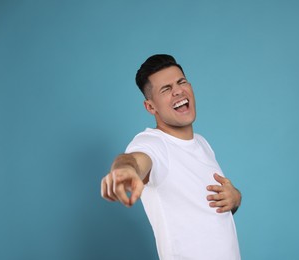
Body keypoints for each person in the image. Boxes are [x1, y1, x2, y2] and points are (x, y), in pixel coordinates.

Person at [101, 54, 242, 259]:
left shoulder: (202, 144)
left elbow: (207, 212)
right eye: (166, 89)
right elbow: (134, 160)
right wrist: (124, 170)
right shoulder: (152, 143)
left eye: (181, 82)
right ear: (151, 107)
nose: (178, 91)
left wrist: (234, 198)